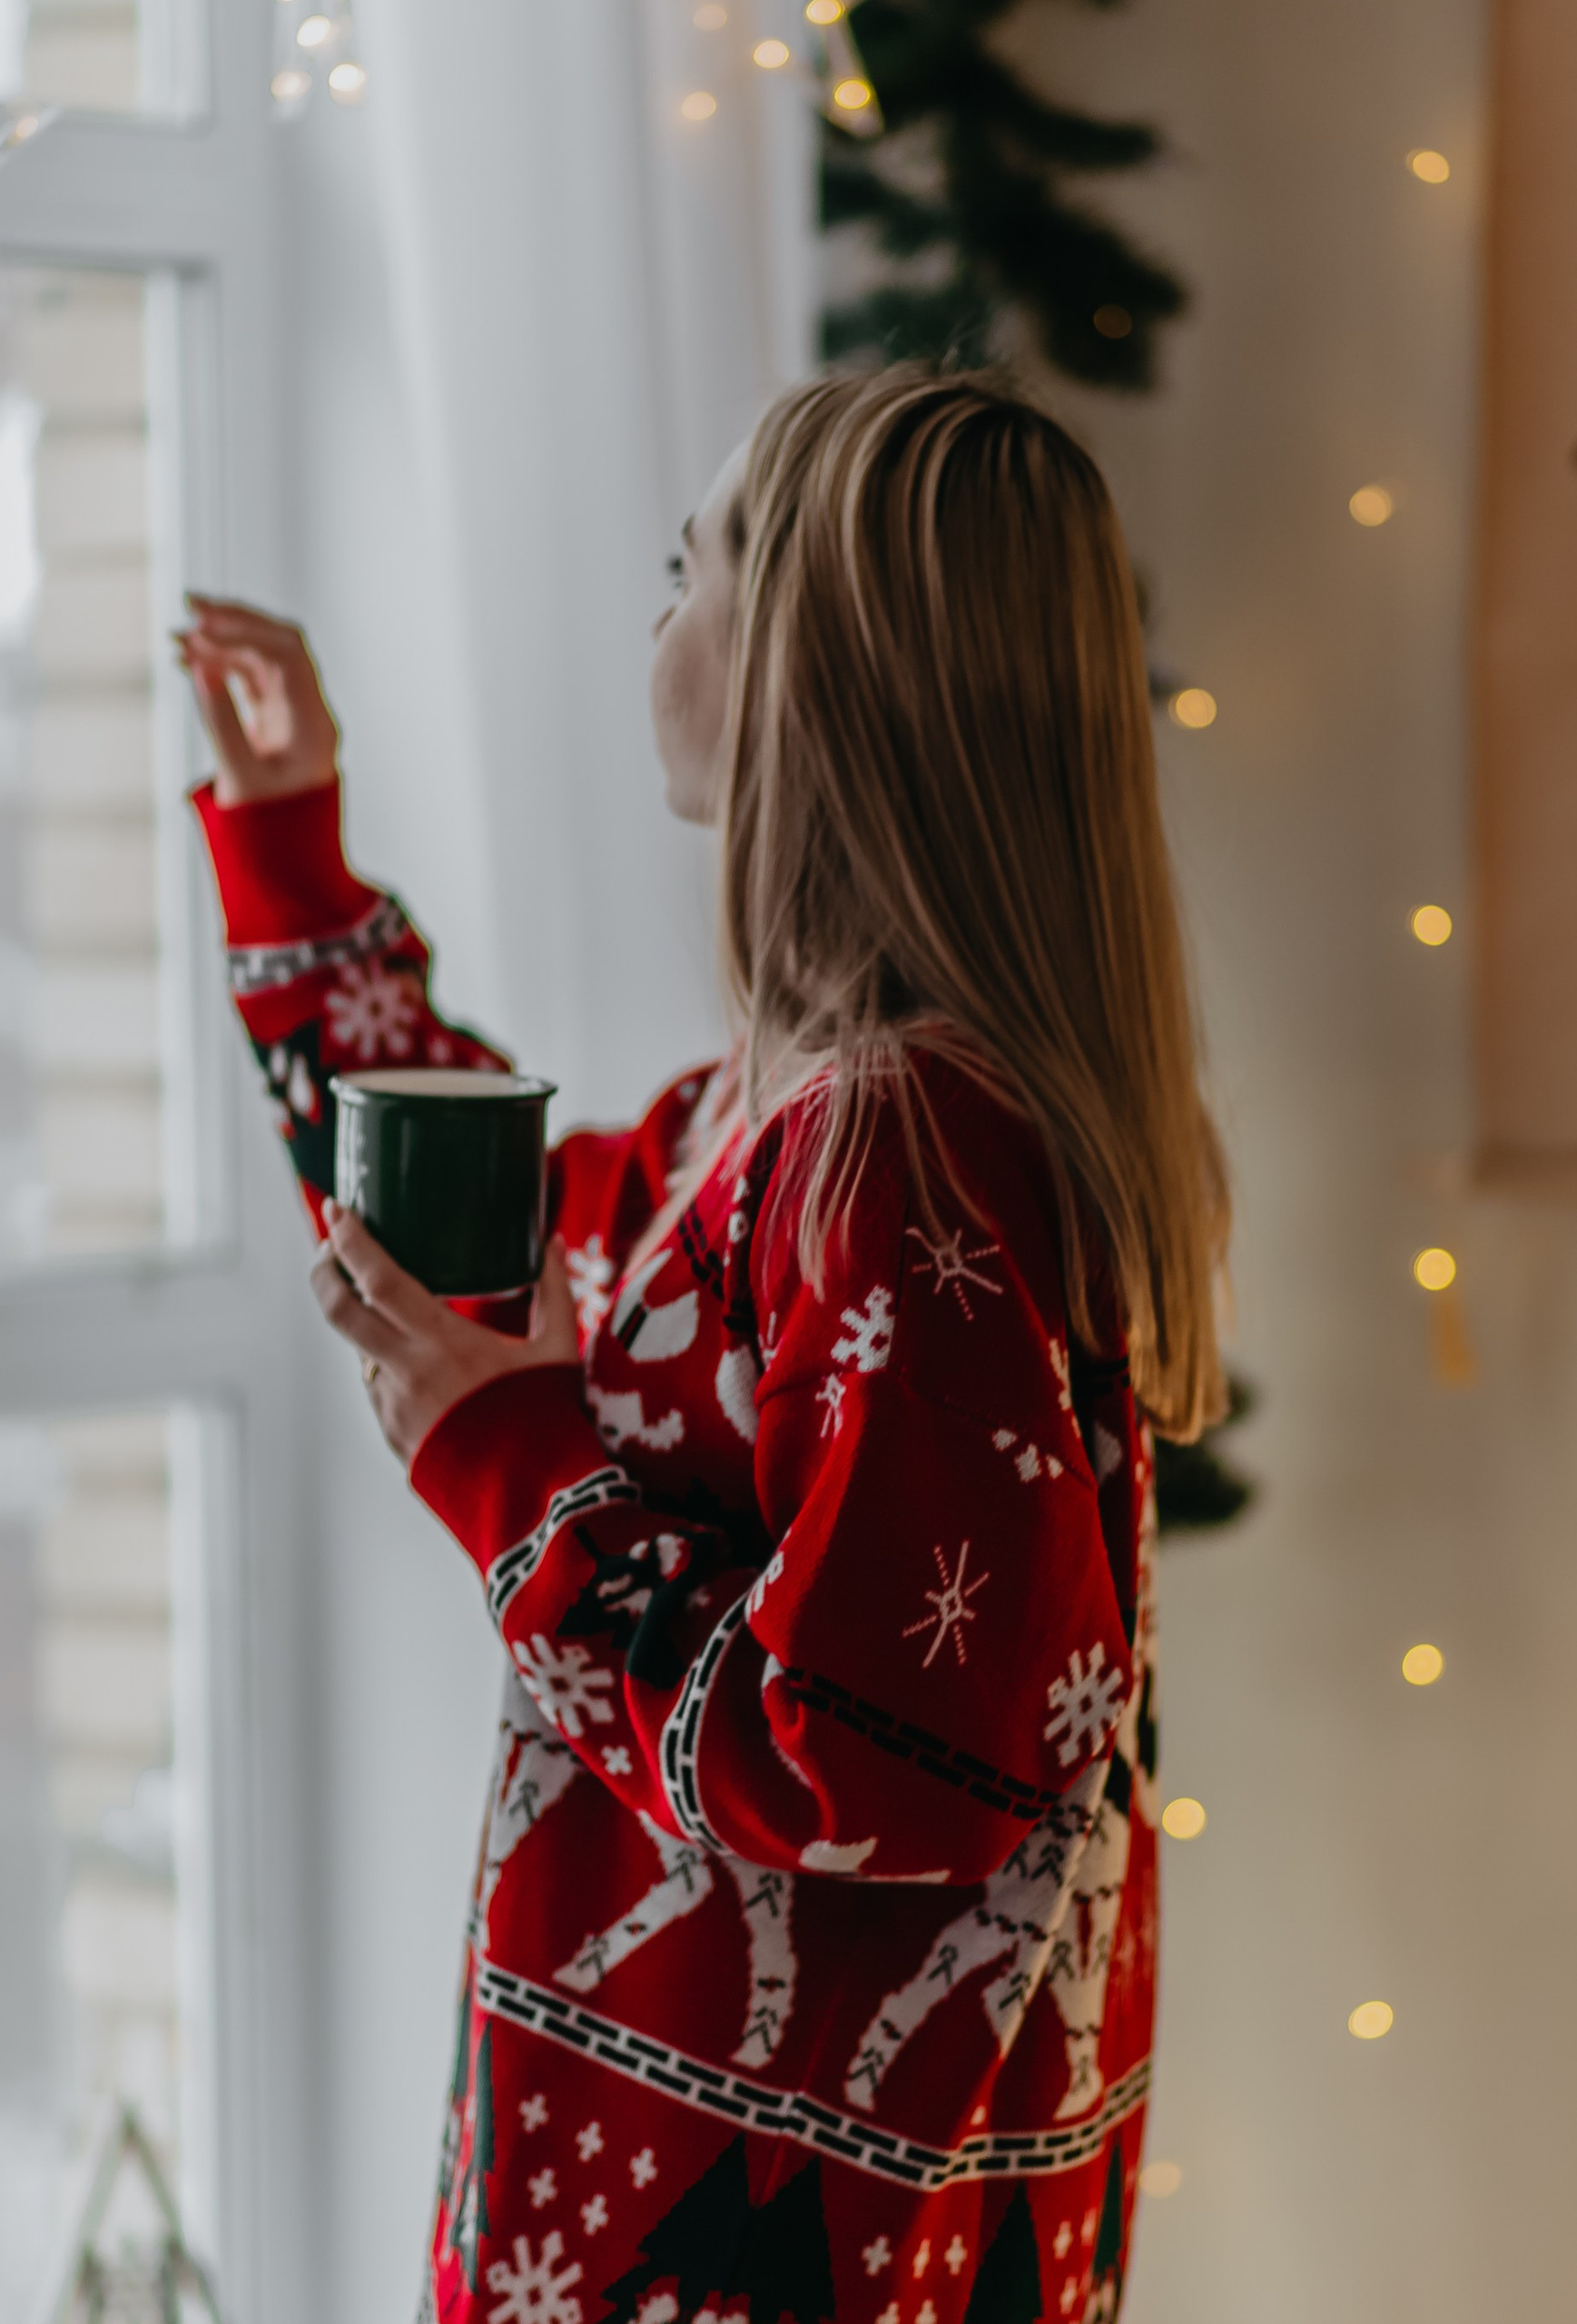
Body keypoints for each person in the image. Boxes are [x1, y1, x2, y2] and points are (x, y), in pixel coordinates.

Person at [179, 365, 1228, 2324]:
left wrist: (509, 1465)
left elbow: (871, 1759)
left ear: (804, 682)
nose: (654, 618)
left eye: (691, 571)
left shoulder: (888, 1157)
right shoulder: (783, 1122)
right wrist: (291, 853)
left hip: (753, 2237)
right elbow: (463, 1209)